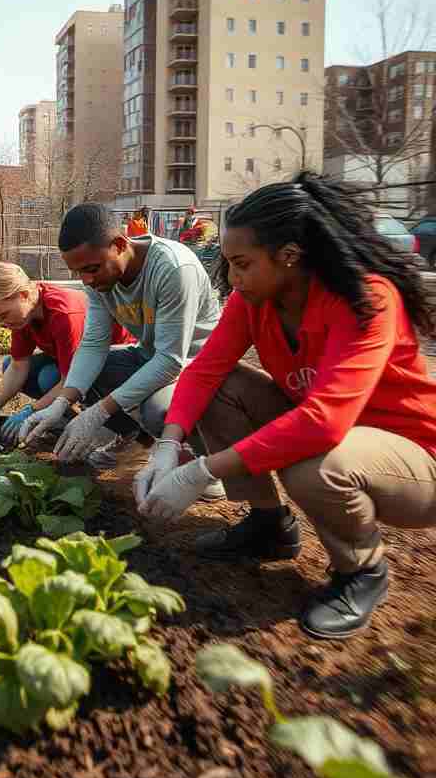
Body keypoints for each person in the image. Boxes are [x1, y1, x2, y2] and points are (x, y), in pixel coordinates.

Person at [135, 173, 436, 640]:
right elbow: (203, 371)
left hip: (414, 460)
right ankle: (268, 525)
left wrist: (200, 472)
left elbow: (324, 423)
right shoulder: (254, 300)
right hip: (332, 435)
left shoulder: (367, 299)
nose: (232, 278)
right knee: (220, 388)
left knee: (313, 465)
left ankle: (362, 571)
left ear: (289, 257)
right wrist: (167, 444)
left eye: (242, 264)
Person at [20, 203, 223, 476]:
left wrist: (98, 412)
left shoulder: (173, 268)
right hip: (151, 355)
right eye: (78, 272)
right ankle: (136, 443)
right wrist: (61, 403)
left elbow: (171, 361)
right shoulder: (99, 278)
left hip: (197, 366)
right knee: (78, 374)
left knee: (158, 410)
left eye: (92, 269)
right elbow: (93, 344)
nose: (87, 280)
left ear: (119, 244)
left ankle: (202, 465)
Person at [0, 262, 132, 445]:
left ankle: (100, 428)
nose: (1, 323)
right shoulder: (24, 314)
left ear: (23, 295)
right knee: (10, 364)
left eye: (4, 315)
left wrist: (30, 410)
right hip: (73, 360)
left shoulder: (63, 314)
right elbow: (18, 366)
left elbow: (69, 378)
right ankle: (59, 418)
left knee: (49, 377)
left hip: (116, 362)